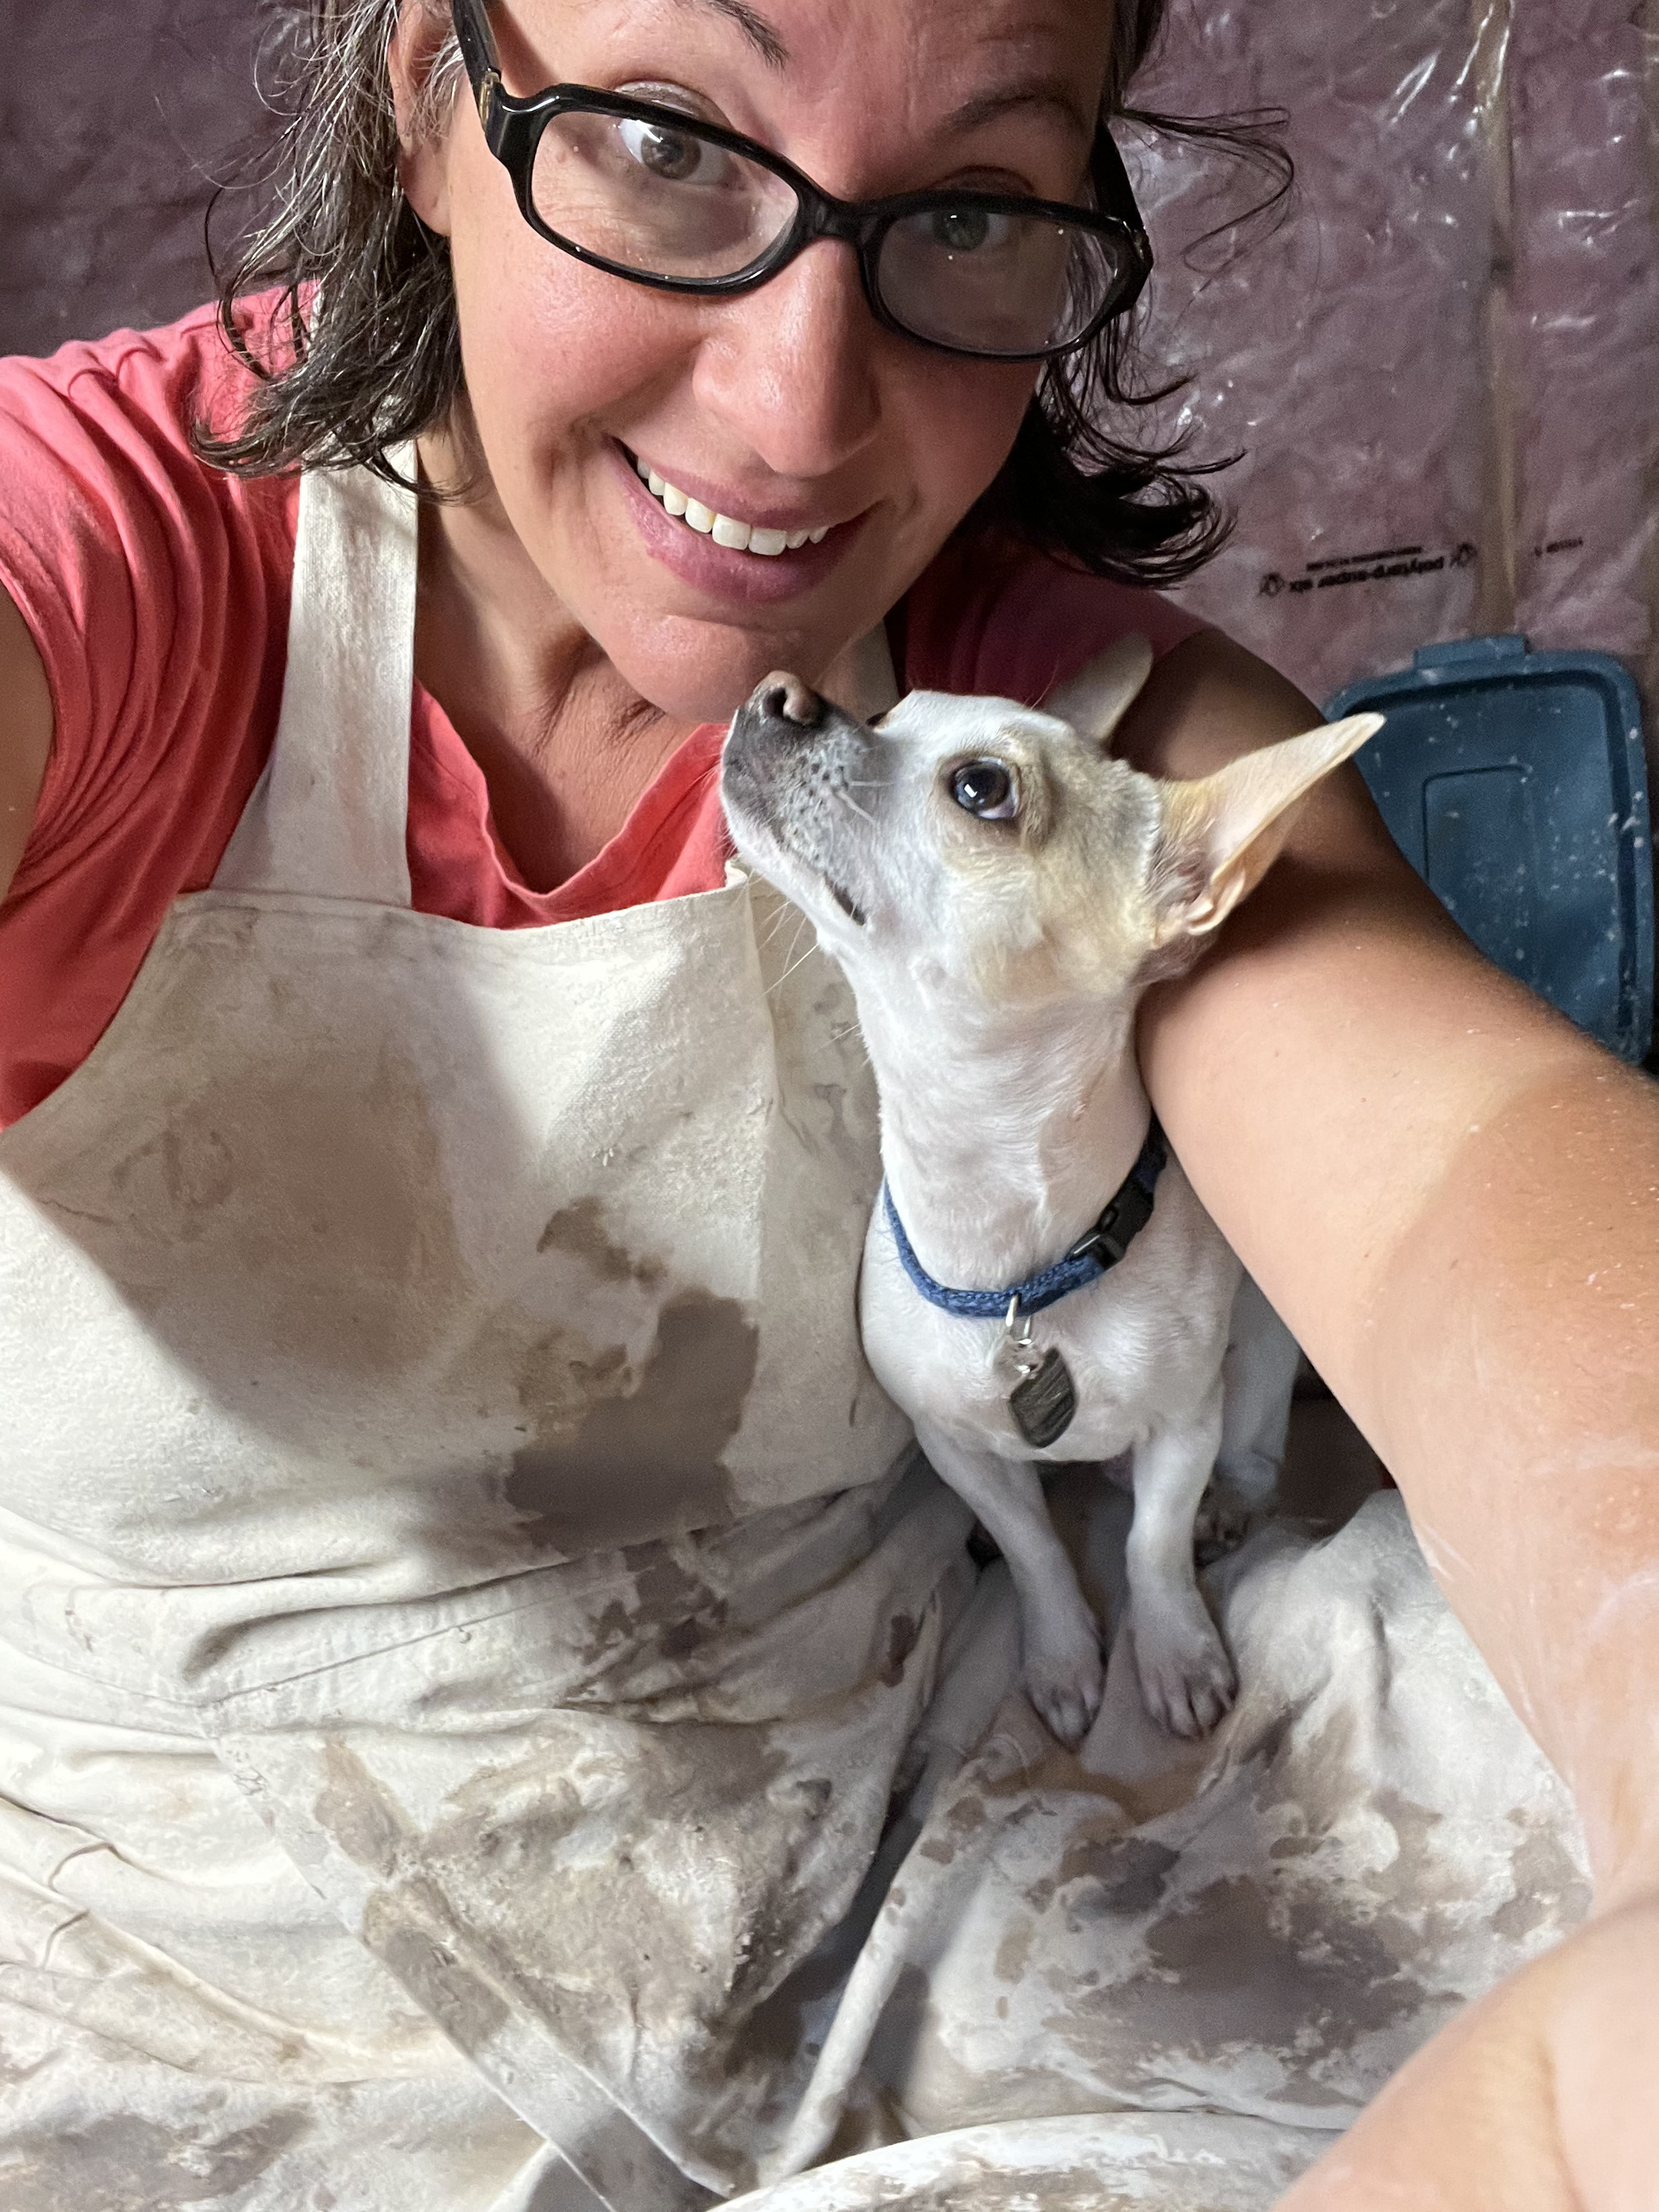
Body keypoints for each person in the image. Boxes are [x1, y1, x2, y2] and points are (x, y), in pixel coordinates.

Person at [0, 1, 1652, 2206]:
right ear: (425, 100)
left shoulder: (1091, 745)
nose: (793, 412)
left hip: (893, 1880)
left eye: (966, 207)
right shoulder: (114, 574)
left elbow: (1469, 1180)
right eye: (663, 143)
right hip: (177, 1969)